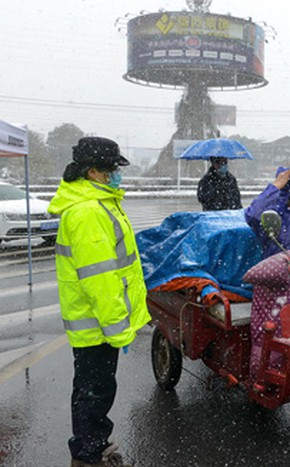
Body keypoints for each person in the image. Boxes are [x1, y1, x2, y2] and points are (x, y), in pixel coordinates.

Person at [48, 137, 151, 467]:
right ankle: (90, 453)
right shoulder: (89, 212)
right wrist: (119, 329)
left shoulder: (97, 203)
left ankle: (88, 444)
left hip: (94, 322)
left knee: (90, 389)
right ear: (93, 172)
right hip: (97, 324)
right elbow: (100, 279)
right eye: (111, 170)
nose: (115, 176)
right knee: (96, 391)